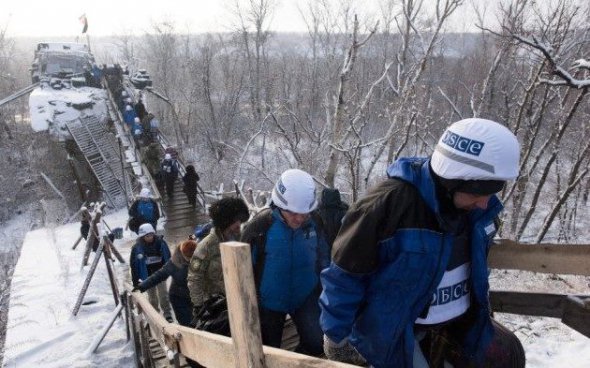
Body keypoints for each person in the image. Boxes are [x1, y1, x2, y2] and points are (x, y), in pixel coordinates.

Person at [319, 118, 526, 368]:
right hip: (397, 335)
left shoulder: (478, 212)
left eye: (491, 194)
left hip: (456, 328)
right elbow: (344, 276)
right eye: (476, 194)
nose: (485, 203)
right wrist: (335, 335)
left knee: (510, 354)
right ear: (453, 181)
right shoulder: (386, 208)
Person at [241, 169, 329, 356]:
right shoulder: (259, 229)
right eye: (293, 212)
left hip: (305, 295)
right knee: (268, 351)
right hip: (269, 303)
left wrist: (326, 289)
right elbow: (242, 271)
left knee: (316, 344)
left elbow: (324, 257)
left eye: (304, 213)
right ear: (279, 204)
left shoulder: (315, 222)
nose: (299, 218)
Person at [187, 198, 250, 325]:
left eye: (240, 221)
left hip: (237, 300)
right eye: (235, 222)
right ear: (226, 222)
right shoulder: (206, 246)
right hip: (214, 306)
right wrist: (199, 306)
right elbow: (194, 278)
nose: (239, 226)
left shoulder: (242, 239)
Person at [134, 236, 197, 326]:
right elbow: (159, 275)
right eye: (188, 258)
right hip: (179, 297)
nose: (190, 261)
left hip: (197, 296)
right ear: (183, 255)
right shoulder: (174, 263)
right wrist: (141, 286)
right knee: (188, 324)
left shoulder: (201, 258)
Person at [130, 223, 173, 322]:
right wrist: (135, 281)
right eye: (147, 236)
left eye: (151, 235)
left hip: (160, 273)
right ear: (142, 236)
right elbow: (134, 265)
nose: (150, 238)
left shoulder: (161, 243)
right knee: (152, 297)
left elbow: (169, 256)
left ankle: (167, 313)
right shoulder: (137, 248)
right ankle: (155, 314)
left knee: (163, 295)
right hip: (148, 276)